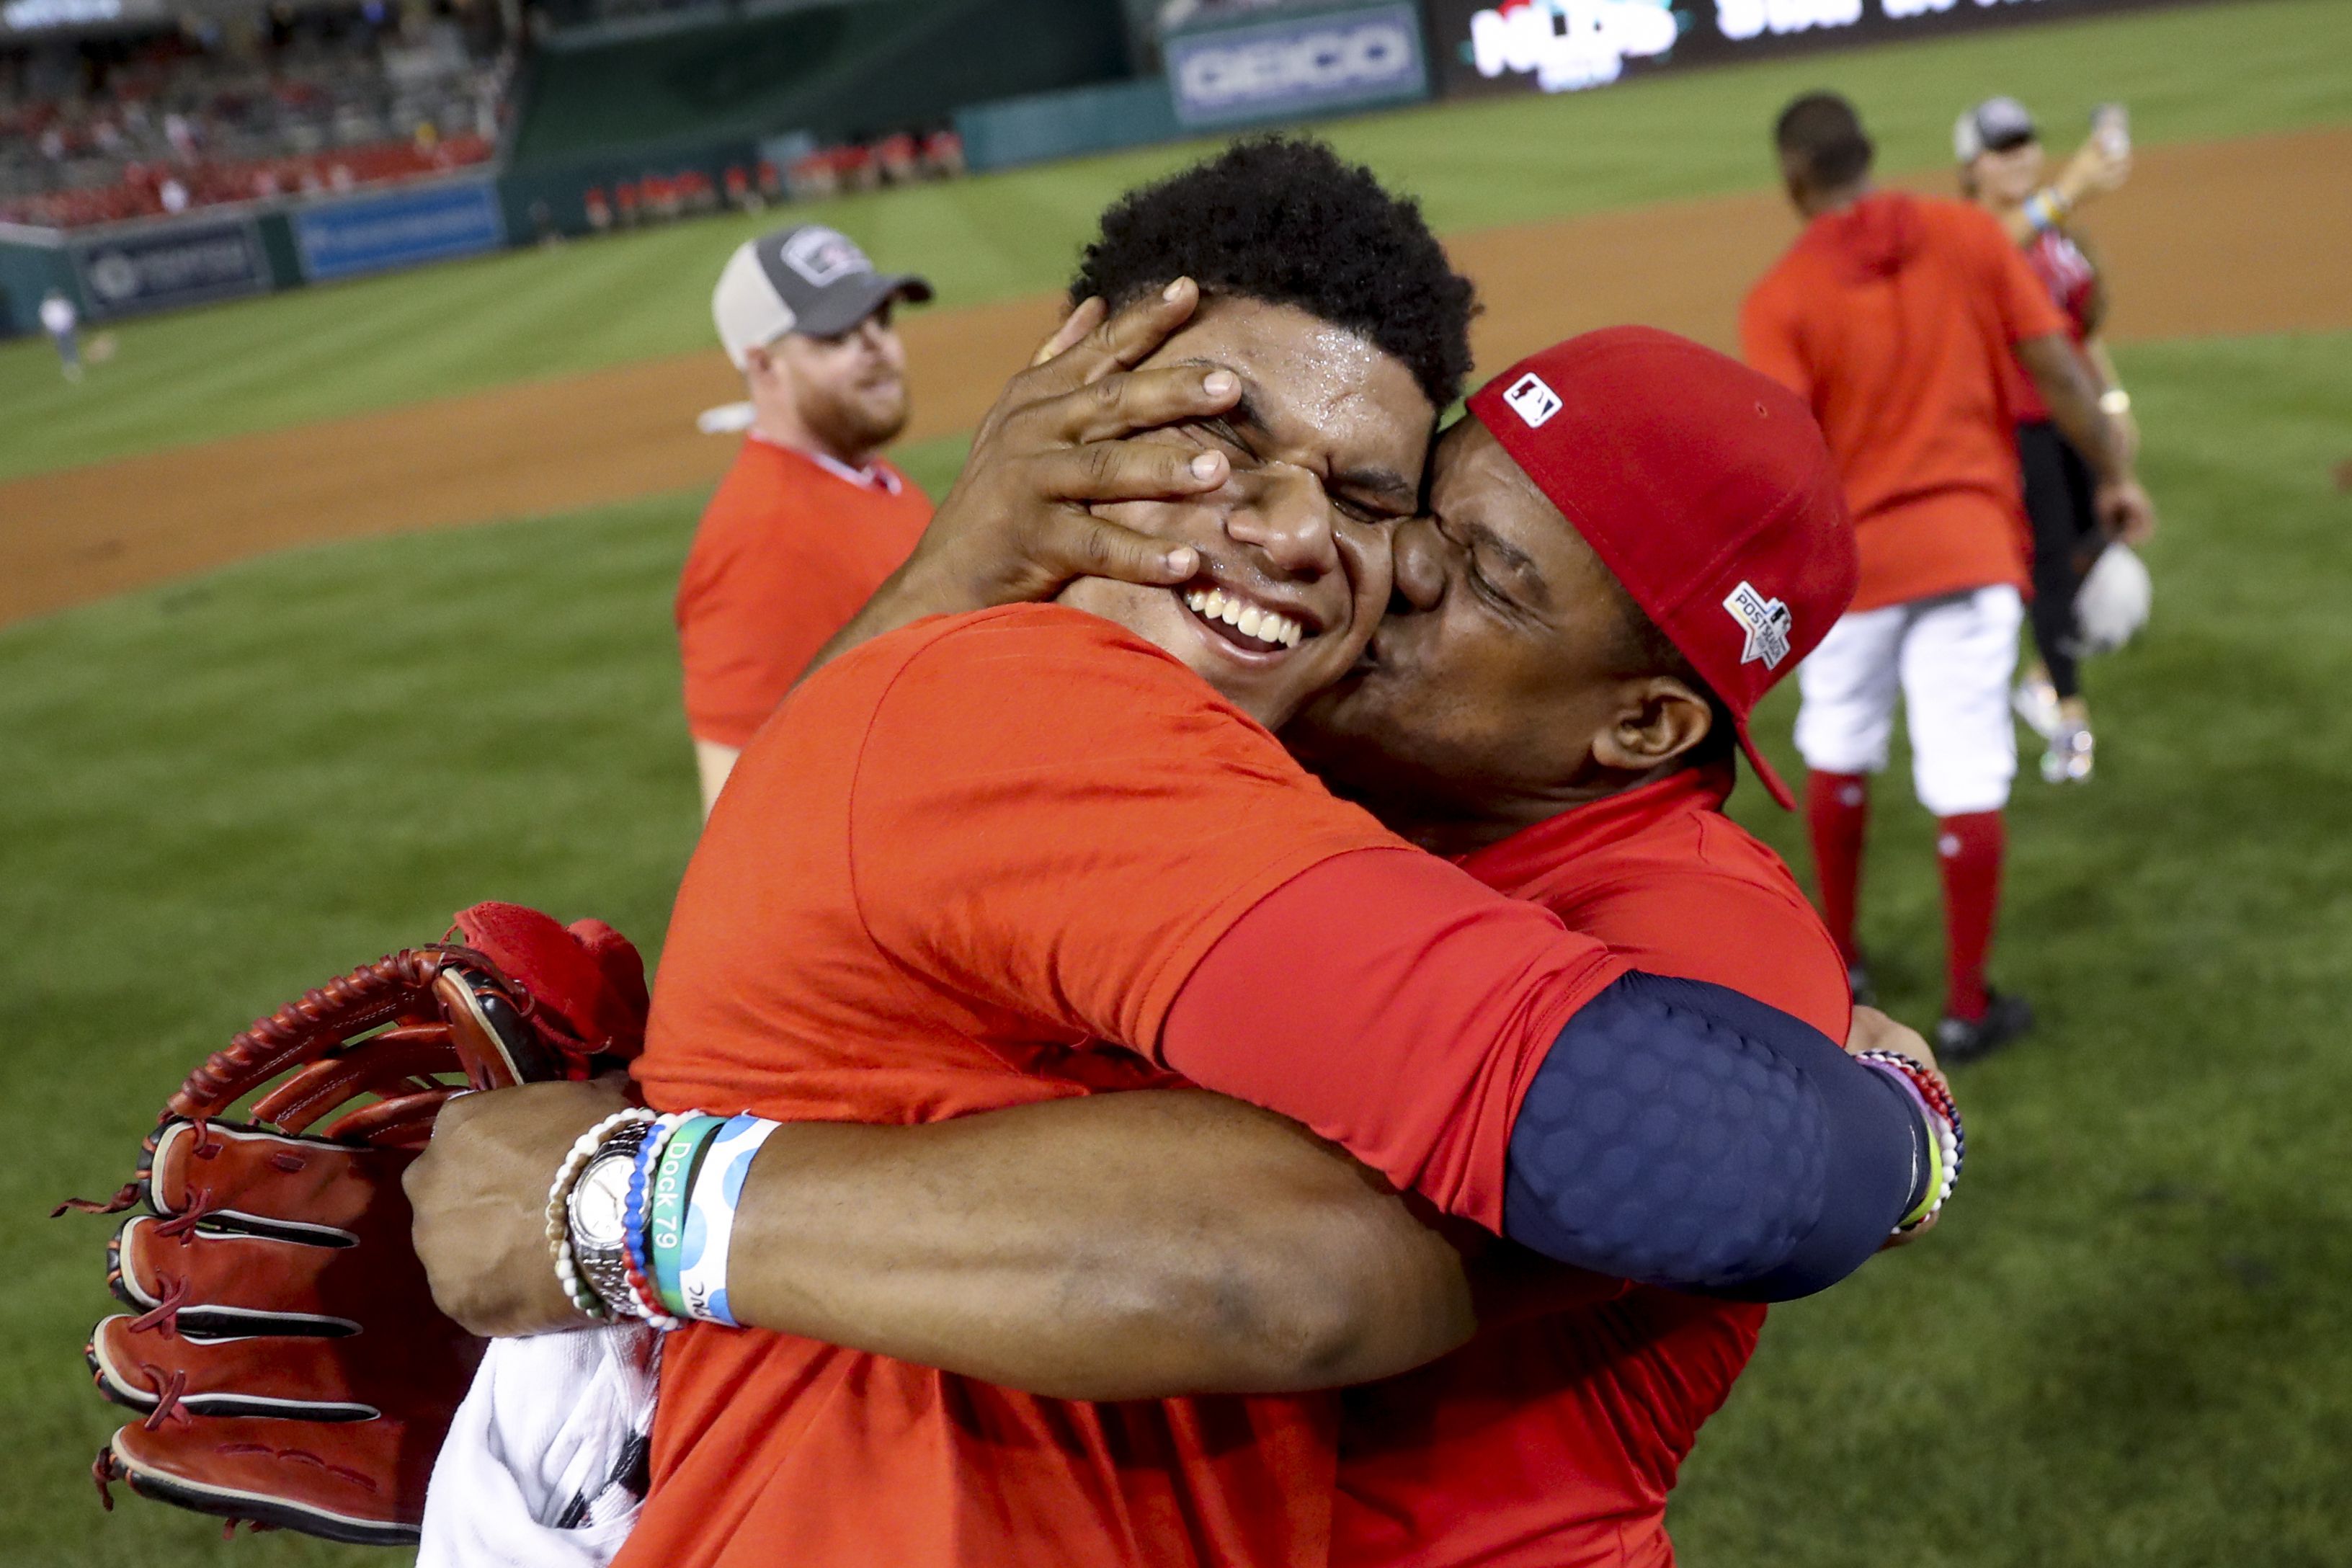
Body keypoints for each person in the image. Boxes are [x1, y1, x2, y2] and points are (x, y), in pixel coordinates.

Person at [415, 141, 1938, 1568]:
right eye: (1221, 432)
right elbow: (1297, 1262)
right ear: (1069, 397)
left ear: (1642, 723)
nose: (1342, 549)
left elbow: (1330, 1258)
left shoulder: (1635, 906)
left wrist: (637, 1205)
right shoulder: (1044, 713)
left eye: (1382, 506)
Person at [1740, 92, 2156, 1060]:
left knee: (1839, 749)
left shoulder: (1781, 296)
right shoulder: (1968, 237)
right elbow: (2056, 370)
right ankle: (1970, 1006)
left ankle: (1839, 967)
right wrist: (2115, 474)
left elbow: (1783, 455)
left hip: (1854, 568)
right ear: (1871, 156)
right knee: (1966, 765)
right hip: (1971, 549)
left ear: (1795, 181)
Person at [674, 223, 935, 815]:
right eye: (836, 335)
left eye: (882, 322)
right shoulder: (760, 539)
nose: (877, 347)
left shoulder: (873, 478)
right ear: (764, 366)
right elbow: (741, 817)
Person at [1956, 95, 2137, 784]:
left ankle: (2039, 677)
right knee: (2052, 561)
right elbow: (1988, 255)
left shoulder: (2059, 232)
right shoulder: (1971, 230)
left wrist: (2113, 400)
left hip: (2074, 413)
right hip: (2015, 424)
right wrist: (2070, 189)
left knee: (2101, 537)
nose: (2020, 157)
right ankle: (2069, 718)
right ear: (1971, 166)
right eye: (2002, 148)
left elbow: (2078, 330)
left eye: (2027, 143)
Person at [40, 289, 82, 383]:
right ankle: (68, 364)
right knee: (63, 347)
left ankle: (74, 362)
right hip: (57, 330)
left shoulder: (63, 303)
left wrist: (74, 326)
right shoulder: (48, 307)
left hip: (67, 327)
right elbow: (46, 320)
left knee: (71, 345)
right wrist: (49, 331)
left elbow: (71, 314)